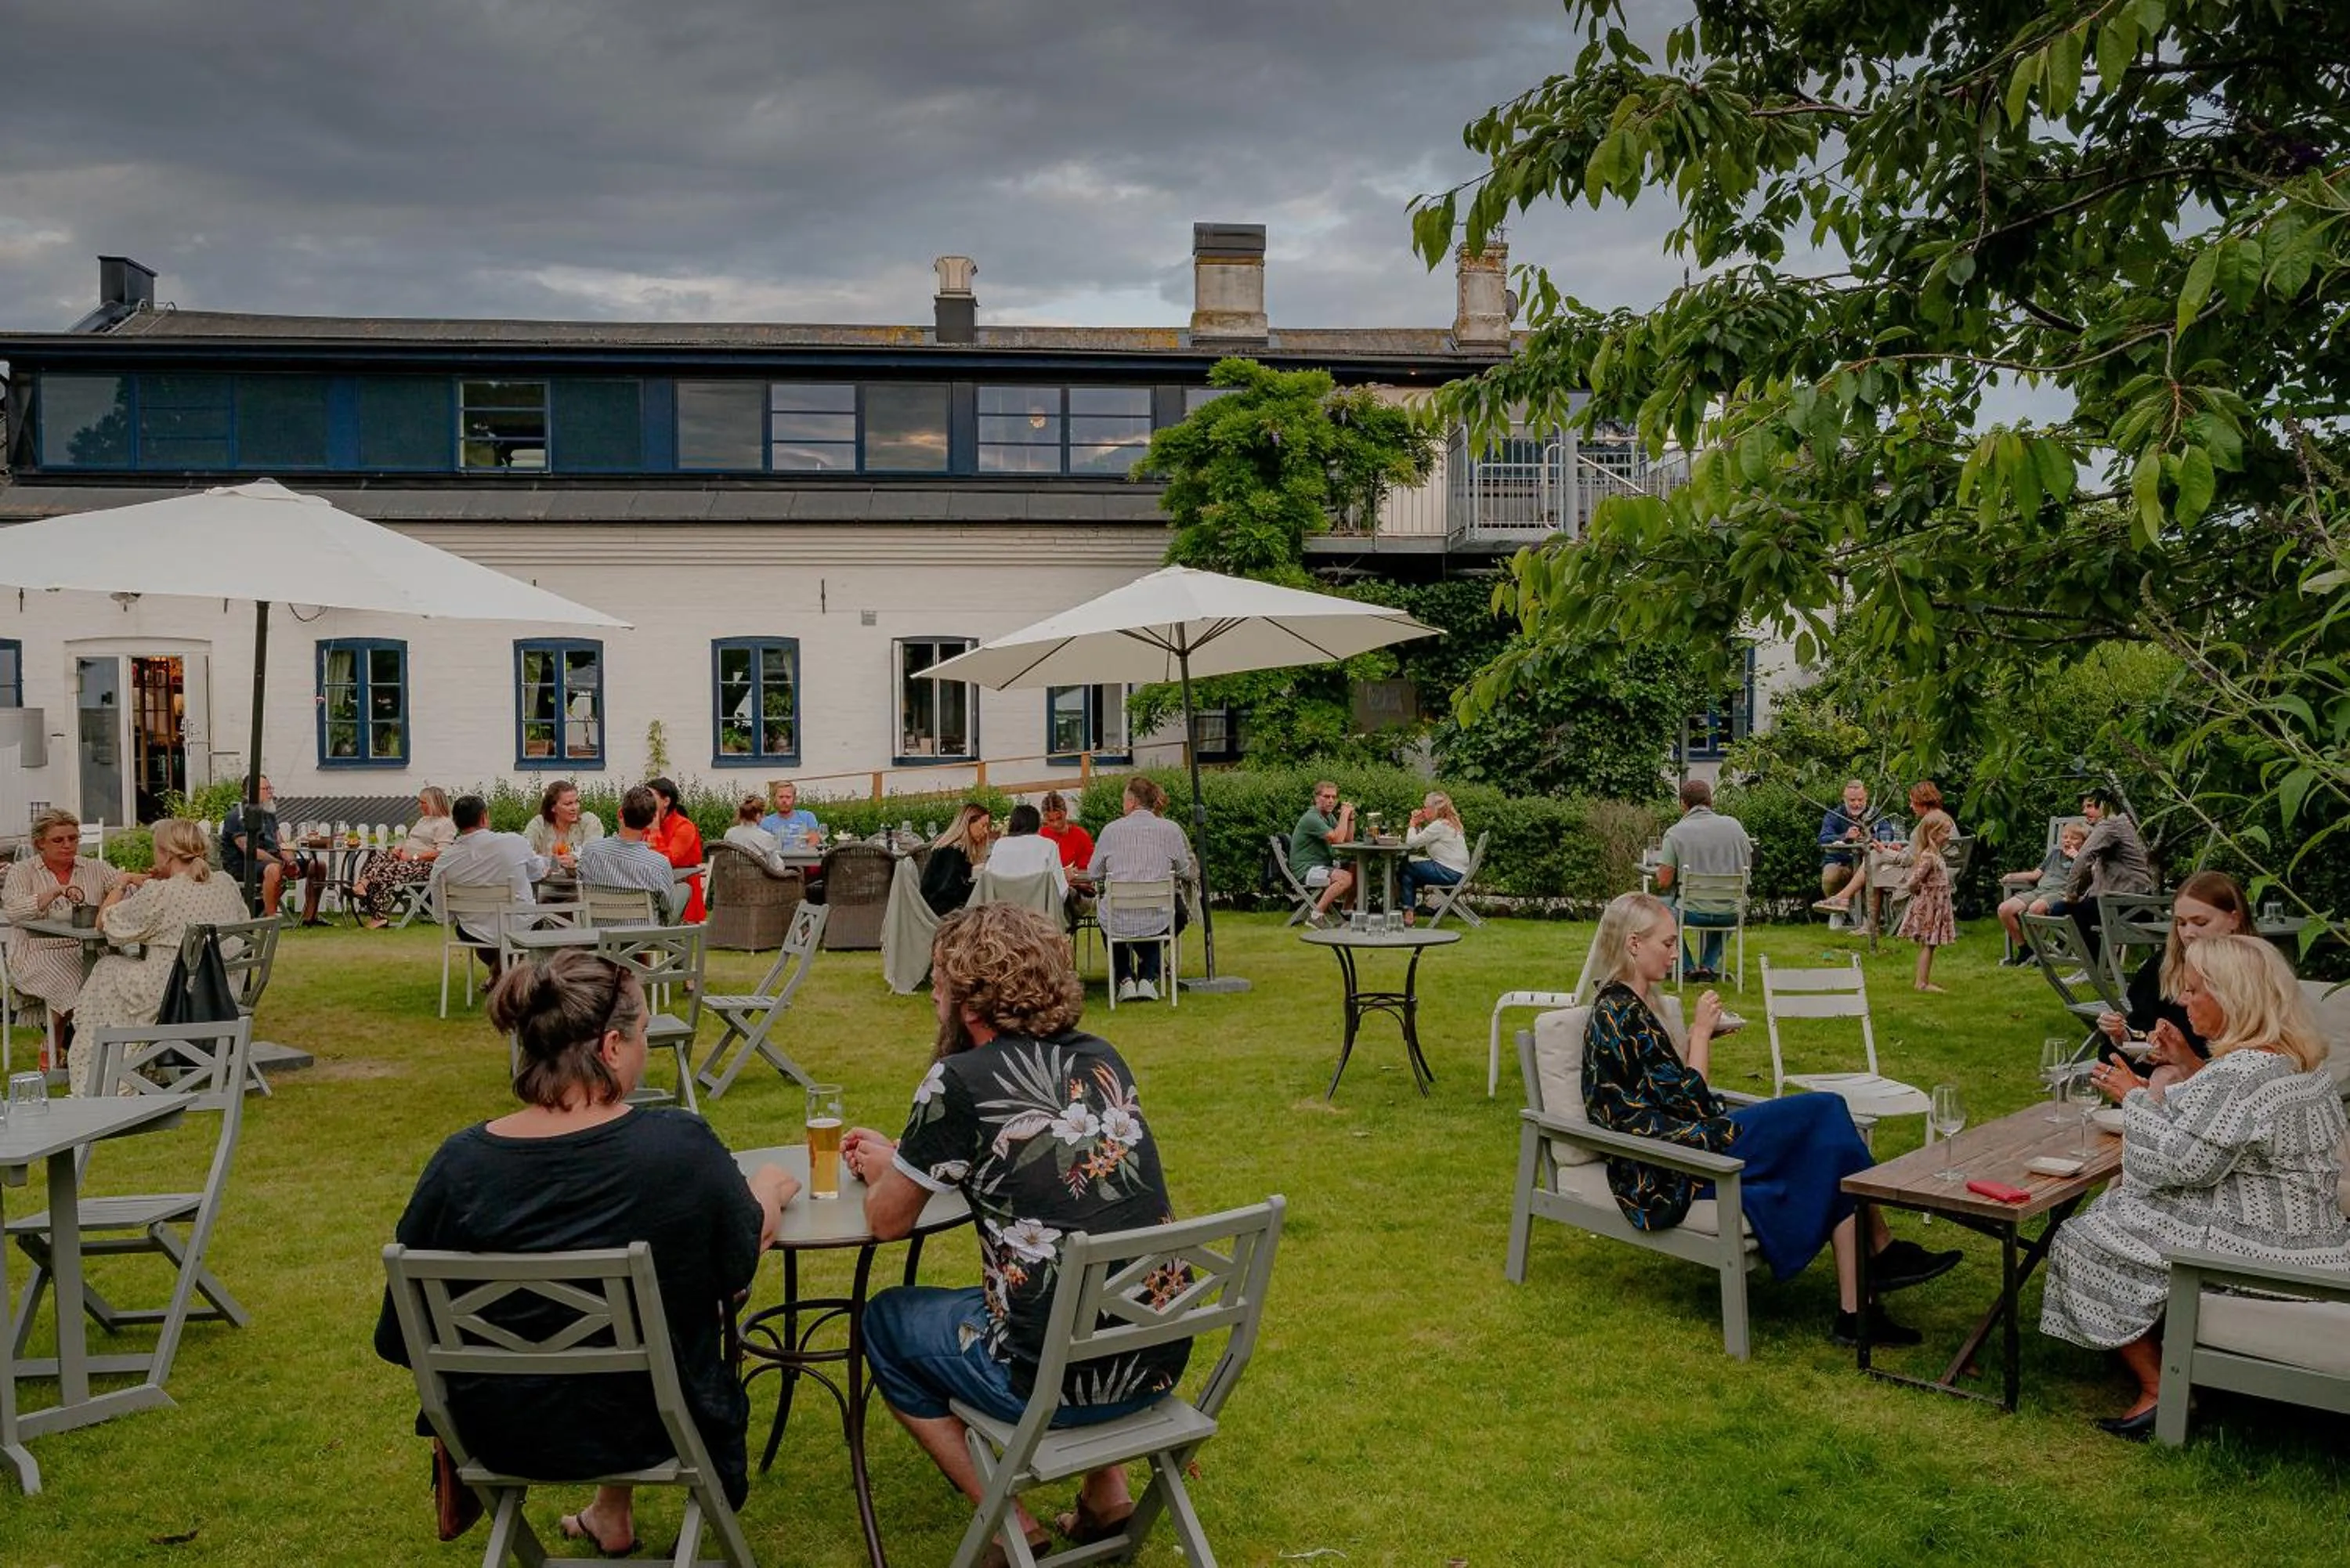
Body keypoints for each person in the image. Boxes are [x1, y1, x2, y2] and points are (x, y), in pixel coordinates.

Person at [374, 952, 797, 1552]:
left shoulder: (460, 1166)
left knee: (614, 1340)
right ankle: (611, 1506)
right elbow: (736, 1264)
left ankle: (609, 1513)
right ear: (612, 1046)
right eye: (645, 1031)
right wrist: (770, 1188)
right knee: (647, 1339)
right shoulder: (677, 1149)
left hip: (500, 1429)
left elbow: (398, 1335)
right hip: (656, 1422)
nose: (646, 1045)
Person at [841, 905, 1186, 1562]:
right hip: (1156, 1349)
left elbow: (887, 1221)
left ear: (971, 999)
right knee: (1071, 1274)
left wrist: (887, 1173)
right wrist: (905, 1161)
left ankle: (1008, 1521)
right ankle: (1106, 1496)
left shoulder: (960, 1080)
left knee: (887, 1320)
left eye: (939, 982)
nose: (932, 995)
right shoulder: (1100, 1057)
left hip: (1046, 1378)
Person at [1581, 892, 1961, 1346]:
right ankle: (1882, 1253)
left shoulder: (1634, 1007)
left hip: (1689, 1137)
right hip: (1669, 1164)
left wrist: (1700, 1040)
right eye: (1667, 942)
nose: (1673, 951)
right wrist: (1700, 1031)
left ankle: (1857, 1313)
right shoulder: (1618, 1011)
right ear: (1634, 945)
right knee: (1826, 1109)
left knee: (1833, 1150)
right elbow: (1691, 1098)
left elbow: (1665, 1089)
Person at [2042, 934, 2348, 1437]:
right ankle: (2162, 1344)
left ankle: (2161, 1387)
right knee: (2119, 1211)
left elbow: (2185, 1164)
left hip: (2262, 1255)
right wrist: (2158, 1081)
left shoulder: (2245, 1073)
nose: (2183, 1002)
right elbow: (2212, 1132)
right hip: (2312, 1240)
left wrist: (2134, 1100)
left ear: (2232, 997)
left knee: (2082, 1239)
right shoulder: (2297, 1062)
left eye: (2193, 991)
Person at [72, 818, 248, 1096]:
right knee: (125, 970)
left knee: (107, 969)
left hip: (175, 995)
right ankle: (145, 1066)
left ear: (165, 854)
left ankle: (106, 1073)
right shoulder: (225, 883)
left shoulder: (161, 893)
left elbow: (105, 922)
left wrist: (122, 883)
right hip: (225, 988)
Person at [2095, 871, 2251, 1095]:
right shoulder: (2162, 968)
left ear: (2233, 920)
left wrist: (2181, 1062)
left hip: (2223, 1097)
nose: (2189, 933)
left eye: (2201, 922)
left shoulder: (2253, 979)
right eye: (2181, 923)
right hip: (2154, 1091)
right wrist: (2124, 1037)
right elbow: (2138, 1031)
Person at [2, 807, 129, 1054]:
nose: (67, 845)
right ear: (40, 844)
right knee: (74, 982)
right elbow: (14, 911)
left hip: (90, 948)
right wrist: (52, 893)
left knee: (121, 976)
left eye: (73, 838)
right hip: (36, 951)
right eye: (58, 840)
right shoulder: (23, 871)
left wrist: (134, 882)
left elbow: (121, 886)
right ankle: (66, 1050)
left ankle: (101, 1051)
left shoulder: (94, 867)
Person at [1088, 775, 1191, 1003]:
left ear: (1133, 802)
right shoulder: (1171, 829)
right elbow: (1184, 870)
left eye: (1124, 799)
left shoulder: (1111, 830)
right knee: (1172, 913)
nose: (1122, 804)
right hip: (1158, 916)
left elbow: (1094, 873)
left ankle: (1125, 979)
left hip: (1118, 917)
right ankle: (1147, 977)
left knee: (1107, 913)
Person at [427, 793, 548, 981]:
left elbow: (441, 916)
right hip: (520, 926)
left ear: (455, 822)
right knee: (539, 919)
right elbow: (538, 873)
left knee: (478, 930)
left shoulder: (444, 861)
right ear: (484, 817)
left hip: (475, 932)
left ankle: (500, 972)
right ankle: (509, 975)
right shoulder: (514, 842)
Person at [1653, 778, 1752, 981]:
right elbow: (1748, 866)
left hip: (1692, 912)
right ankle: (1707, 967)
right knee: (1725, 906)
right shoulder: (1735, 827)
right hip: (1731, 912)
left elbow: (1663, 882)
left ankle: (1687, 967)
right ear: (1710, 802)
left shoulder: (1676, 832)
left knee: (1658, 912)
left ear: (1683, 804)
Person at [222, 774, 327, 925]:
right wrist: (281, 864)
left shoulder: (268, 814)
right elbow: (250, 851)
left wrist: (291, 862)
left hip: (272, 862)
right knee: (274, 869)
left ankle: (310, 917)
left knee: (318, 866)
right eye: (266, 789)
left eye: (271, 788)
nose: (271, 792)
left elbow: (281, 844)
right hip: (243, 865)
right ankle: (270, 920)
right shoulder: (237, 816)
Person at [2065, 787, 2156, 959]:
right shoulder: (2126, 821)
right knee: (2079, 907)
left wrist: (2070, 894)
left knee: (2066, 909)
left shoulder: (2110, 823)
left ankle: (2098, 965)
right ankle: (2102, 962)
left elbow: (2083, 858)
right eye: (2084, 807)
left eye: (2090, 806)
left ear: (2106, 805)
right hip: (2142, 898)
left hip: (2128, 902)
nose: (2084, 811)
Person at [352, 786, 457, 928]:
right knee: (377, 856)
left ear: (434, 803)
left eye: (423, 802)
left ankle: (378, 914)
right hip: (406, 860)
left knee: (384, 872)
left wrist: (413, 857)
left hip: (425, 866)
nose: (419, 805)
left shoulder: (445, 824)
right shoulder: (423, 821)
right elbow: (412, 841)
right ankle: (363, 886)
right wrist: (398, 849)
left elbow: (441, 852)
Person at [578, 786, 685, 921]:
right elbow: (667, 907)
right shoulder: (659, 864)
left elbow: (580, 886)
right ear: (652, 821)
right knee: (683, 890)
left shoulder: (591, 851)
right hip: (642, 938)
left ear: (620, 814)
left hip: (600, 933)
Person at [1814, 779, 1903, 927]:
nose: (1856, 804)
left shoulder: (1875, 814)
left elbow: (1888, 833)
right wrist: (1845, 836)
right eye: (1852, 800)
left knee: (1875, 873)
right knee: (1830, 875)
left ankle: (1868, 919)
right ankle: (1838, 910)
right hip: (1841, 861)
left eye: (1860, 800)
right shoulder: (1834, 815)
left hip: (1868, 863)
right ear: (1844, 799)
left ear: (1866, 798)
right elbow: (1823, 838)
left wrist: (1870, 837)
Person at [1894, 791, 1958, 992]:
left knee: (1931, 944)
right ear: (1932, 834)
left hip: (1938, 902)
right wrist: (1918, 893)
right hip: (1930, 904)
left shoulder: (1935, 854)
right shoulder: (1929, 856)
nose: (1948, 836)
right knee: (1928, 943)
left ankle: (1923, 981)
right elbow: (1915, 879)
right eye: (1945, 832)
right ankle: (1922, 983)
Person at [1997, 820, 2087, 961]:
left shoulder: (2084, 858)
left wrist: (2077, 858)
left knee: (2035, 908)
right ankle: (2025, 950)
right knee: (2005, 909)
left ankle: (2041, 953)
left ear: (2084, 842)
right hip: (2040, 890)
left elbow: (2087, 879)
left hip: (2061, 892)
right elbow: (2035, 875)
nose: (2068, 841)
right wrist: (2012, 876)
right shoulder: (2055, 854)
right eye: (2065, 837)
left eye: (2074, 838)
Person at [1288, 780, 1356, 923]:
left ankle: (1347, 911)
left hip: (1322, 866)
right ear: (1316, 798)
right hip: (1306, 870)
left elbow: (1347, 839)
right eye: (1327, 797)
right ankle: (1316, 915)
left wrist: (1350, 819)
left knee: (1358, 868)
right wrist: (1343, 815)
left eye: (1334, 797)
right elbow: (1337, 839)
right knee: (1345, 878)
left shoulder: (1327, 816)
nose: (1331, 801)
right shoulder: (1311, 818)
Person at [1399, 790, 1470, 923]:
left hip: (1449, 873)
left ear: (1433, 809)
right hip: (1457, 872)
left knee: (1406, 867)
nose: (1423, 810)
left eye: (1425, 807)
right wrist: (1419, 824)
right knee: (1408, 874)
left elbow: (1412, 843)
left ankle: (1407, 912)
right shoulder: (1447, 823)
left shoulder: (1439, 826)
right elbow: (1419, 841)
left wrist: (1413, 824)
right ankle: (1408, 915)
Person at [643, 778, 705, 923]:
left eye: (650, 797)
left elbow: (668, 861)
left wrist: (655, 831)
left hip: (681, 885)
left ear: (666, 802)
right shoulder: (645, 822)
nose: (646, 801)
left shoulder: (684, 827)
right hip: (652, 882)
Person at [921, 803, 992, 917]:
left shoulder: (954, 850)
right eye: (983, 826)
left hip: (937, 912)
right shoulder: (953, 852)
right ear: (968, 823)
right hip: (942, 917)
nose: (985, 832)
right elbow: (947, 894)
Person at [985, 804, 1069, 898]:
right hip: (1039, 911)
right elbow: (1061, 892)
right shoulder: (1048, 846)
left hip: (1004, 910)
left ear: (1012, 824)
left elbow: (988, 883)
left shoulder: (999, 845)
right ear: (1038, 824)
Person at [522, 779, 606, 875]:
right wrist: (551, 862)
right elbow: (524, 855)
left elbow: (594, 853)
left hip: (582, 885)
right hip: (544, 886)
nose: (574, 808)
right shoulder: (539, 824)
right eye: (568, 804)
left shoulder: (589, 821)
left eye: (576, 802)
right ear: (553, 808)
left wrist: (575, 859)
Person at [720, 794, 794, 873]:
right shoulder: (766, 837)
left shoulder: (729, 833)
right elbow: (777, 868)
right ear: (758, 815)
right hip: (760, 883)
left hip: (732, 882)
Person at [1038, 791, 1094, 874]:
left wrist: (1075, 872)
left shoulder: (1081, 836)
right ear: (1044, 818)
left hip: (1076, 885)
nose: (1056, 824)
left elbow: (1089, 869)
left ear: (1066, 812)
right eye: (1050, 820)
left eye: (1059, 818)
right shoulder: (1041, 836)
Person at [757, 780, 823, 850]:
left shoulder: (808, 817)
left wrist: (802, 854)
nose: (784, 800)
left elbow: (814, 840)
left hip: (803, 858)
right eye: (781, 797)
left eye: (788, 797)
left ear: (794, 799)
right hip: (777, 859)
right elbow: (764, 847)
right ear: (775, 799)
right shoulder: (766, 822)